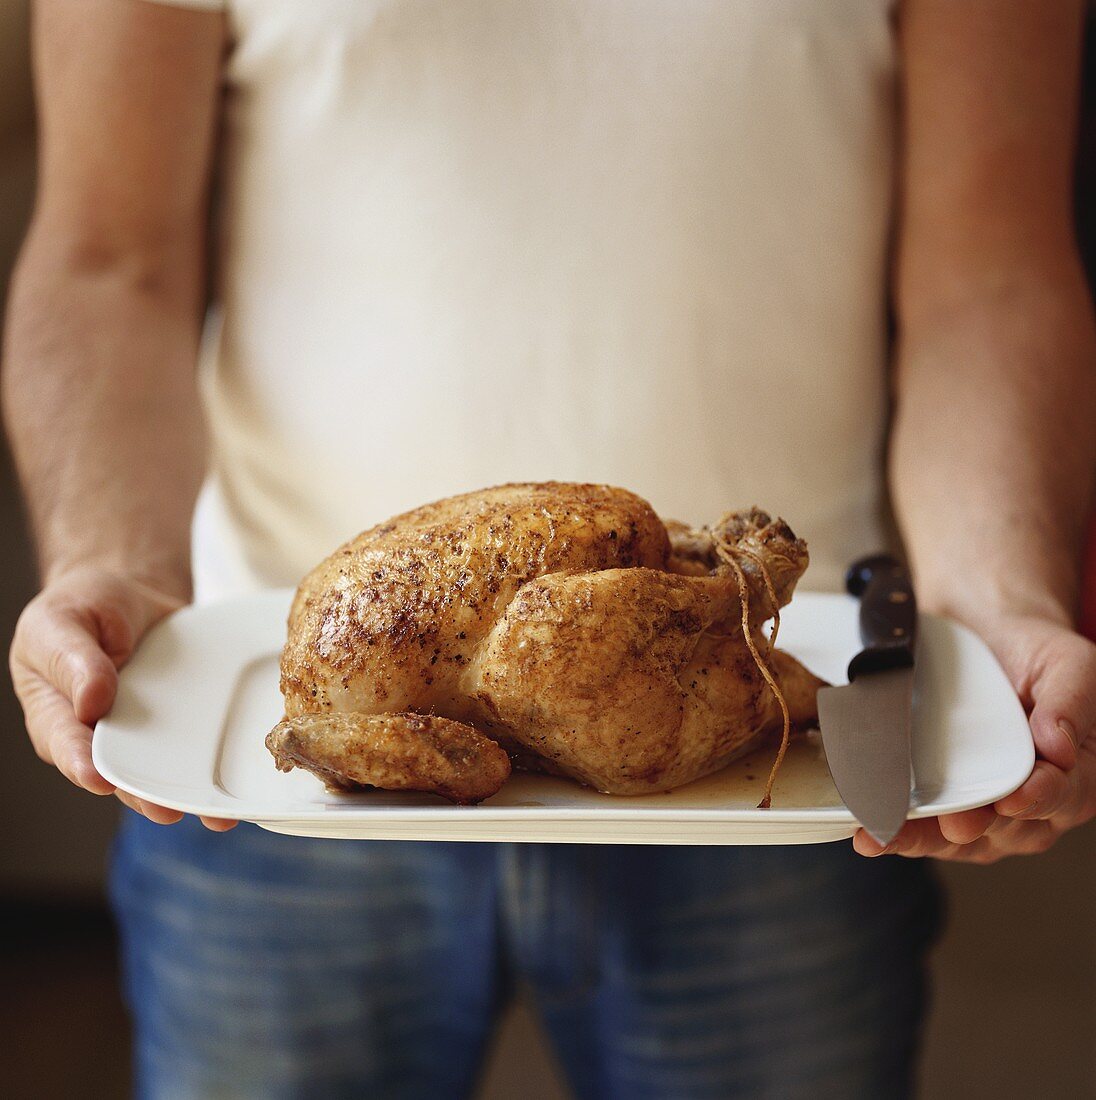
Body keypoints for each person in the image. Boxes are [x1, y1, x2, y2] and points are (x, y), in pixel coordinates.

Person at [4, 1, 1095, 1096]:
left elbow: (989, 275)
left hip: (776, 788)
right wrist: (116, 559)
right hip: (252, 767)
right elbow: (109, 258)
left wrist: (1000, 594)